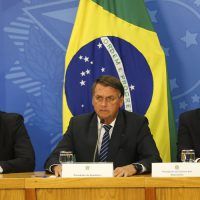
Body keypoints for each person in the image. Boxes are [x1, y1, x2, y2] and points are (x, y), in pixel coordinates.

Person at [45, 75, 161, 177]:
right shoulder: (78, 124)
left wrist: (133, 168)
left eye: (110, 99)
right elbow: (53, 158)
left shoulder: (136, 124)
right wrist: (57, 167)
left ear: (120, 101)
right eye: (99, 98)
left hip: (122, 189)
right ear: (92, 100)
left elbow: (154, 159)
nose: (104, 104)